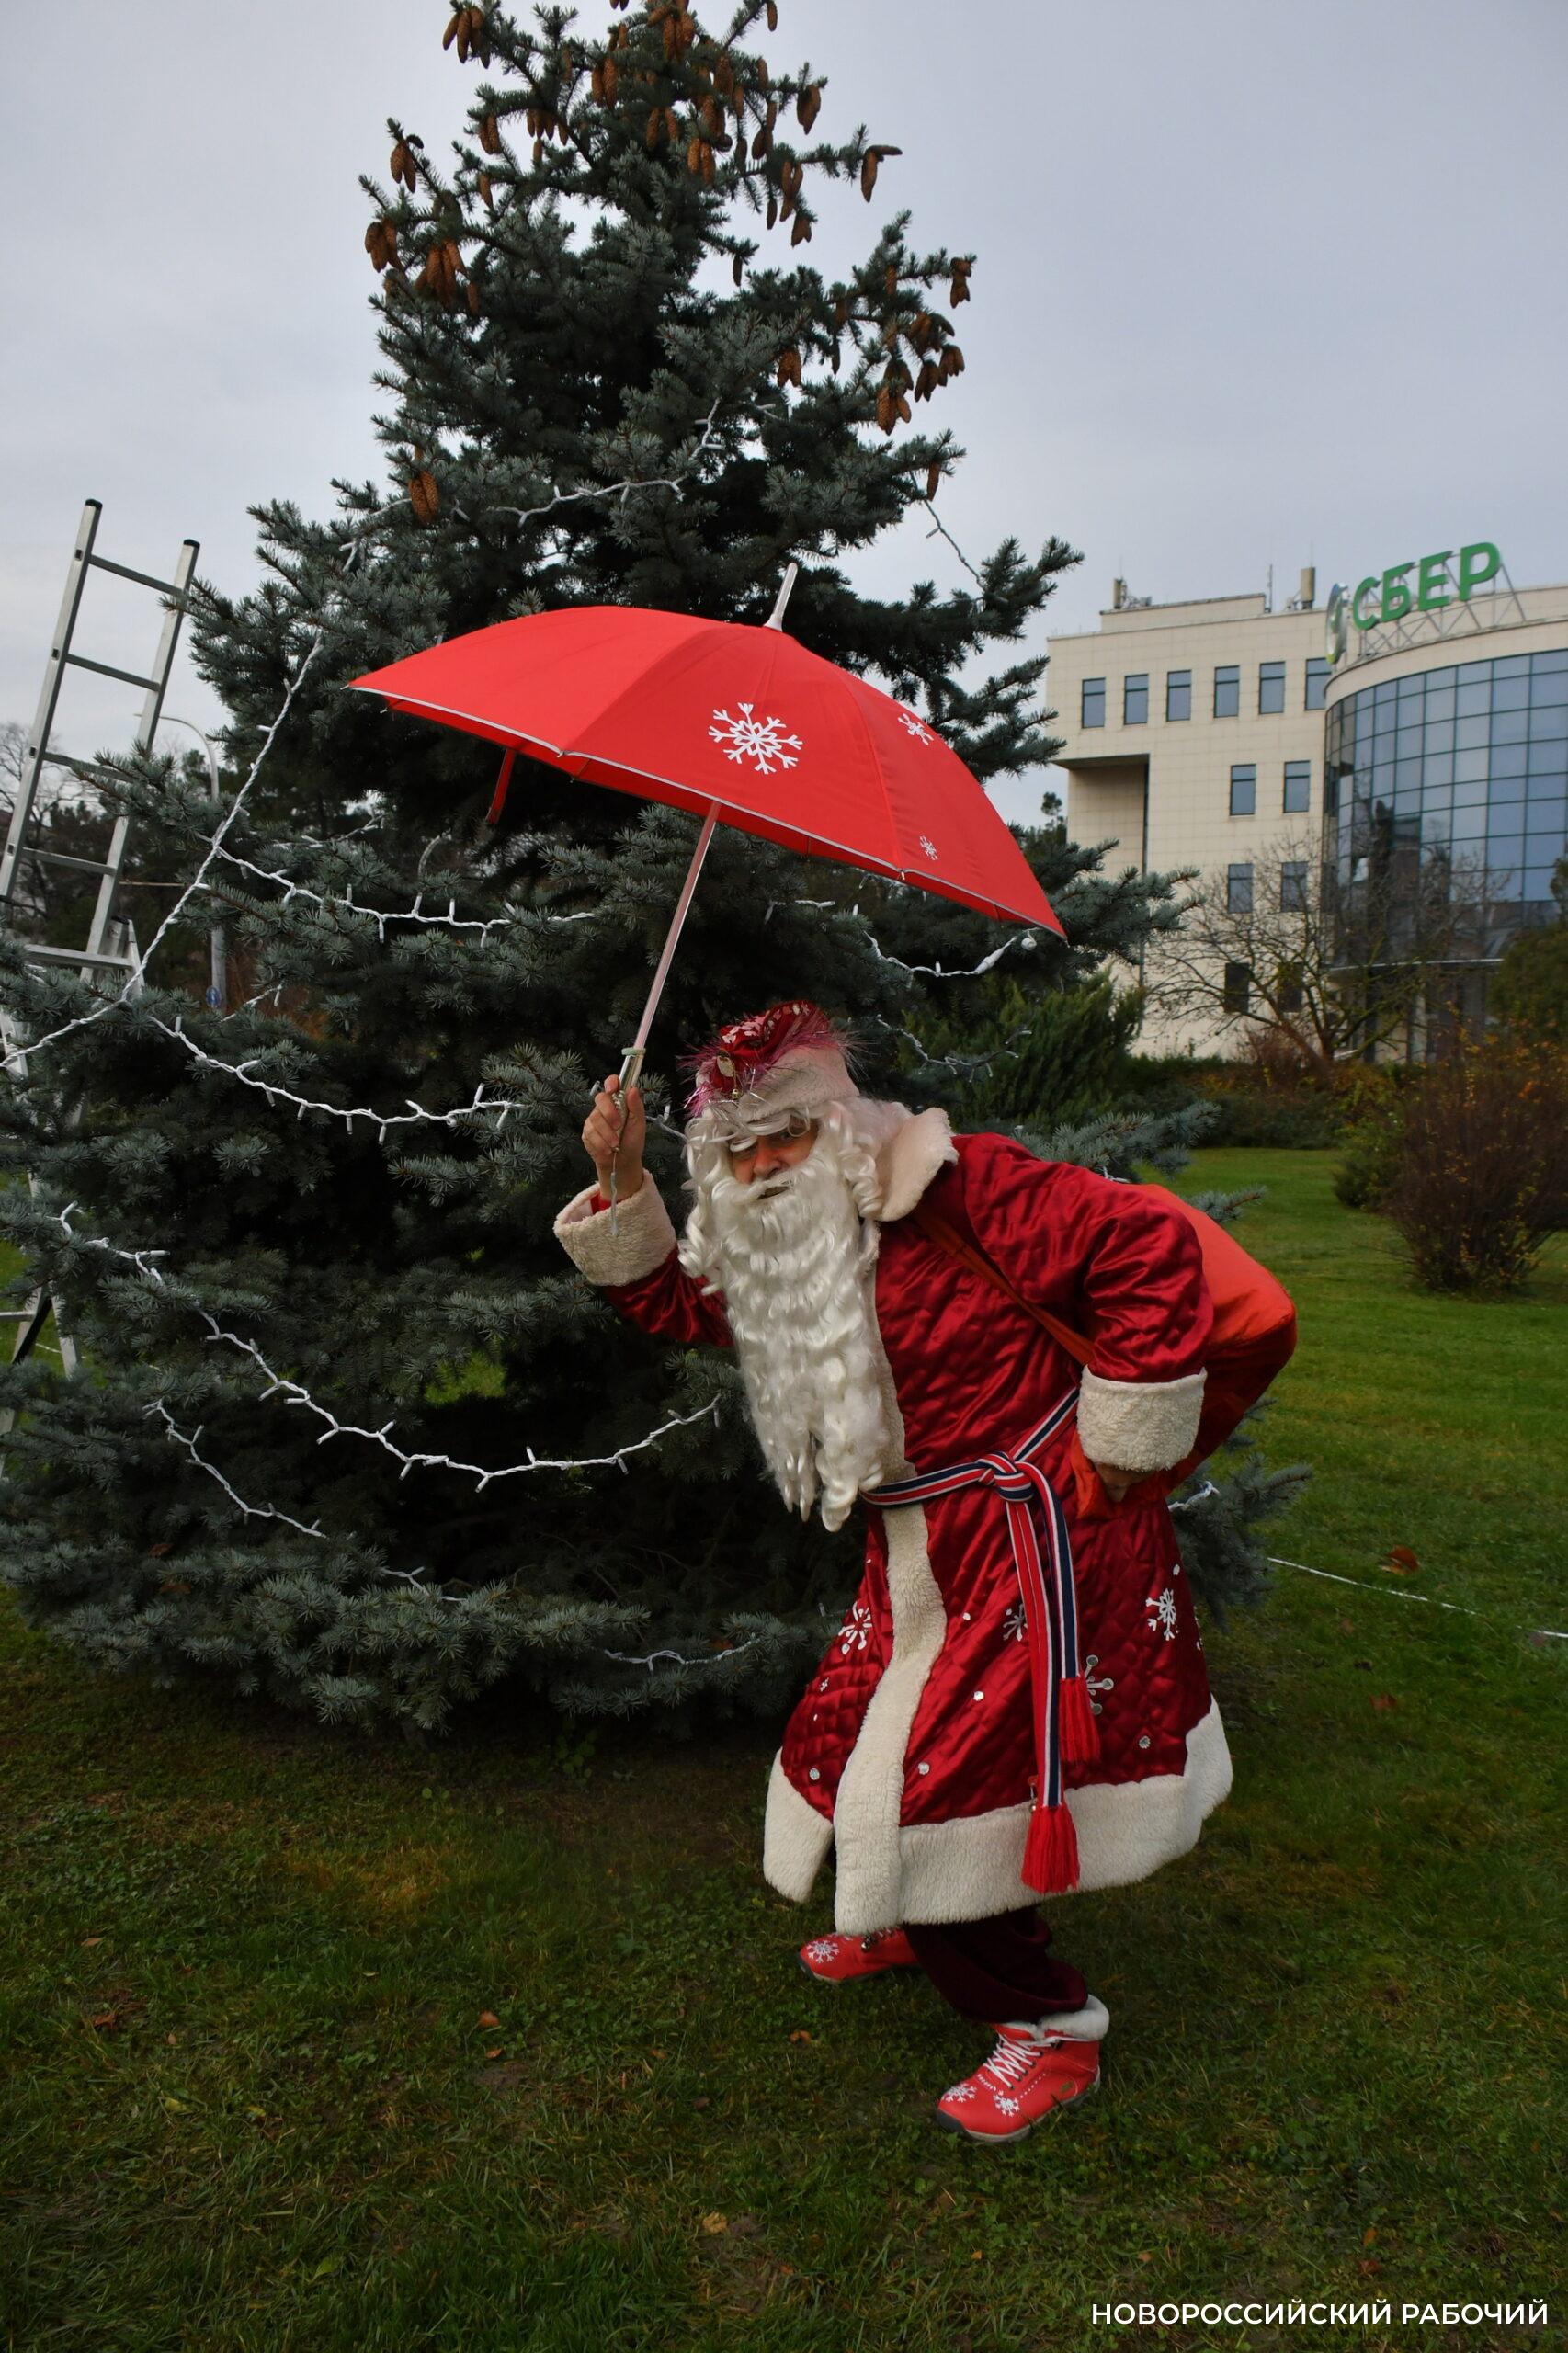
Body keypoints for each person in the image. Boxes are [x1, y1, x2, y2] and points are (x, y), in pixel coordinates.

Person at [554, 999, 1226, 2146]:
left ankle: (1051, 2029)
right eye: (735, 1149)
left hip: (1040, 1540)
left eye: (786, 1135)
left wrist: (1120, 1442)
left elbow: (1150, 1246)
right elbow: (676, 1302)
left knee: (942, 1786)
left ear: (840, 1122)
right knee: (839, 1734)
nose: (763, 1165)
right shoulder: (776, 1249)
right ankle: (911, 1910)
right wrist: (620, 1177)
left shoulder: (965, 1187)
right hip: (916, 1551)